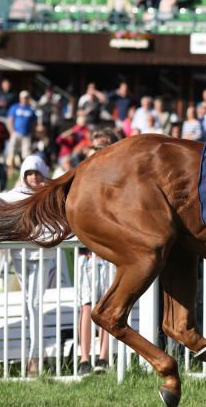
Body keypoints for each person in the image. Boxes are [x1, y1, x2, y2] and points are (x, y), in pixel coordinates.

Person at [0, 155, 59, 376]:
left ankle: (34, 359)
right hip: (21, 257)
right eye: (29, 173)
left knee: (33, 303)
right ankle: (35, 352)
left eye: (37, 173)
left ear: (43, 174)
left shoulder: (52, 195)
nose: (33, 177)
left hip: (44, 256)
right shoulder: (14, 196)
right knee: (28, 304)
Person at [76, 129, 117, 376]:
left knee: (107, 304)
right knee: (86, 305)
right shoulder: (83, 175)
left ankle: (103, 358)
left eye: (104, 146)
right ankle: (83, 359)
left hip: (110, 252)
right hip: (87, 254)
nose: (99, 150)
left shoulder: (117, 178)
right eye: (96, 146)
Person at [6, 90, 37, 173]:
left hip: (27, 134)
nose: (25, 99)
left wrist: (32, 132)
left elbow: (34, 122)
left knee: (26, 153)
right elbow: (10, 120)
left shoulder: (31, 109)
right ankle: (10, 169)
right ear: (20, 98)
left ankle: (25, 169)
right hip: (16, 132)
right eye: (23, 98)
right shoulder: (15, 107)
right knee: (12, 151)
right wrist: (11, 131)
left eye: (26, 98)